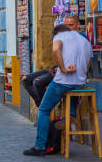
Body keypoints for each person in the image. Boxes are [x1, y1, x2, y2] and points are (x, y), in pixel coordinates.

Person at [23, 24, 92, 156]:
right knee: (70, 93)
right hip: (80, 84)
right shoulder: (85, 41)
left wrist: (64, 69)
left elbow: (56, 50)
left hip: (63, 82)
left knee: (44, 110)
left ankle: (40, 147)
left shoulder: (60, 36)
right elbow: (88, 64)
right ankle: (70, 116)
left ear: (58, 33)